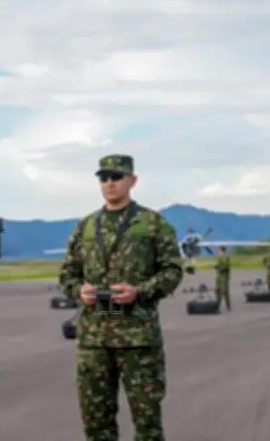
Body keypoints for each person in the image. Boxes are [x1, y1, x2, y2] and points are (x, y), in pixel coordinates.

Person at [59, 154, 184, 441]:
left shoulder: (152, 224)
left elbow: (173, 271)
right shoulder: (86, 227)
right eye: (104, 178)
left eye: (117, 176)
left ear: (132, 180)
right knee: (96, 423)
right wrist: (79, 290)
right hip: (94, 341)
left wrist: (140, 291)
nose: (110, 183)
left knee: (147, 423)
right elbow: (68, 274)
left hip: (138, 339)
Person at [214, 246, 231, 311]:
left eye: (219, 250)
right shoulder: (220, 257)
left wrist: (218, 267)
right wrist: (216, 266)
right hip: (219, 277)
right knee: (220, 291)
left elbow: (225, 266)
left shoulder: (225, 257)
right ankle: (227, 306)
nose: (218, 251)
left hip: (223, 277)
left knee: (222, 291)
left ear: (221, 250)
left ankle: (218, 306)